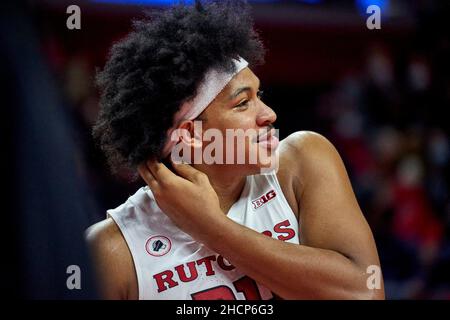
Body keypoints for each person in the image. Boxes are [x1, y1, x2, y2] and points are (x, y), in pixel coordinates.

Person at [86, 0, 384, 300]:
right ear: (191, 134)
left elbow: (365, 294)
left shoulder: (302, 162)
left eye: (260, 95)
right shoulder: (112, 251)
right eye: (243, 103)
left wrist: (212, 227)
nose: (269, 114)